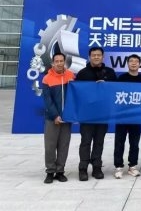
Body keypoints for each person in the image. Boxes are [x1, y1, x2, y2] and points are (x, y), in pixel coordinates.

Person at [75, 46, 117, 181]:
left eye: (99, 55)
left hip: (103, 114)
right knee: (85, 142)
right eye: (94, 55)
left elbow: (116, 91)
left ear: (103, 57)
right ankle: (83, 168)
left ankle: (97, 167)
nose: (96, 57)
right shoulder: (82, 73)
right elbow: (76, 93)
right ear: (89, 57)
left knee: (99, 142)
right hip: (86, 115)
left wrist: (106, 85)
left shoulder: (110, 72)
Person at [42, 52, 75, 184]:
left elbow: (76, 95)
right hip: (52, 119)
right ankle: (50, 171)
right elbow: (47, 100)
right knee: (50, 146)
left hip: (67, 118)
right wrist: (55, 115)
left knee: (63, 146)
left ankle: (60, 171)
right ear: (52, 63)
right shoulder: (47, 78)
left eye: (62, 61)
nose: (59, 63)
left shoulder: (71, 76)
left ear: (64, 62)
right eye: (57, 61)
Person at [113, 54, 141, 179]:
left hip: (136, 116)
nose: (133, 63)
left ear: (139, 64)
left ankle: (132, 166)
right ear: (127, 63)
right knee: (119, 142)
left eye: (136, 61)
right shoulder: (121, 78)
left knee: (134, 142)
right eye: (131, 61)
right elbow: (116, 94)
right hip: (122, 115)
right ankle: (118, 167)